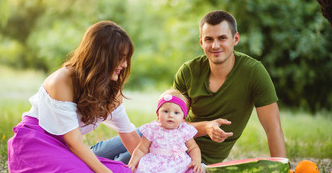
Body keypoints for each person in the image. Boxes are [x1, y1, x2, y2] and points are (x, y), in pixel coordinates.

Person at [0, 21, 140, 173]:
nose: (125, 64)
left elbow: (129, 137)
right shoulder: (61, 81)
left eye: (127, 58)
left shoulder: (110, 91)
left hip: (63, 151)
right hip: (33, 145)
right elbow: (74, 143)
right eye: (120, 57)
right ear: (101, 56)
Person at [91, 10, 286, 165]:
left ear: (235, 39)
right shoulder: (189, 71)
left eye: (222, 38)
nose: (215, 45)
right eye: (209, 39)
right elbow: (168, 121)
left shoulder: (253, 73)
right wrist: (205, 127)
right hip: (163, 131)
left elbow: (273, 128)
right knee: (99, 152)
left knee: (123, 164)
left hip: (188, 155)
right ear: (201, 42)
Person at [128, 89, 208, 173]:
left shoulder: (184, 130)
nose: (170, 115)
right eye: (166, 111)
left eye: (176, 113)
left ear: (183, 118)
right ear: (158, 114)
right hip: (155, 164)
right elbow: (141, 149)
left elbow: (193, 148)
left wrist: (196, 160)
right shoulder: (152, 129)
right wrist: (133, 162)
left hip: (179, 164)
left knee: (199, 169)